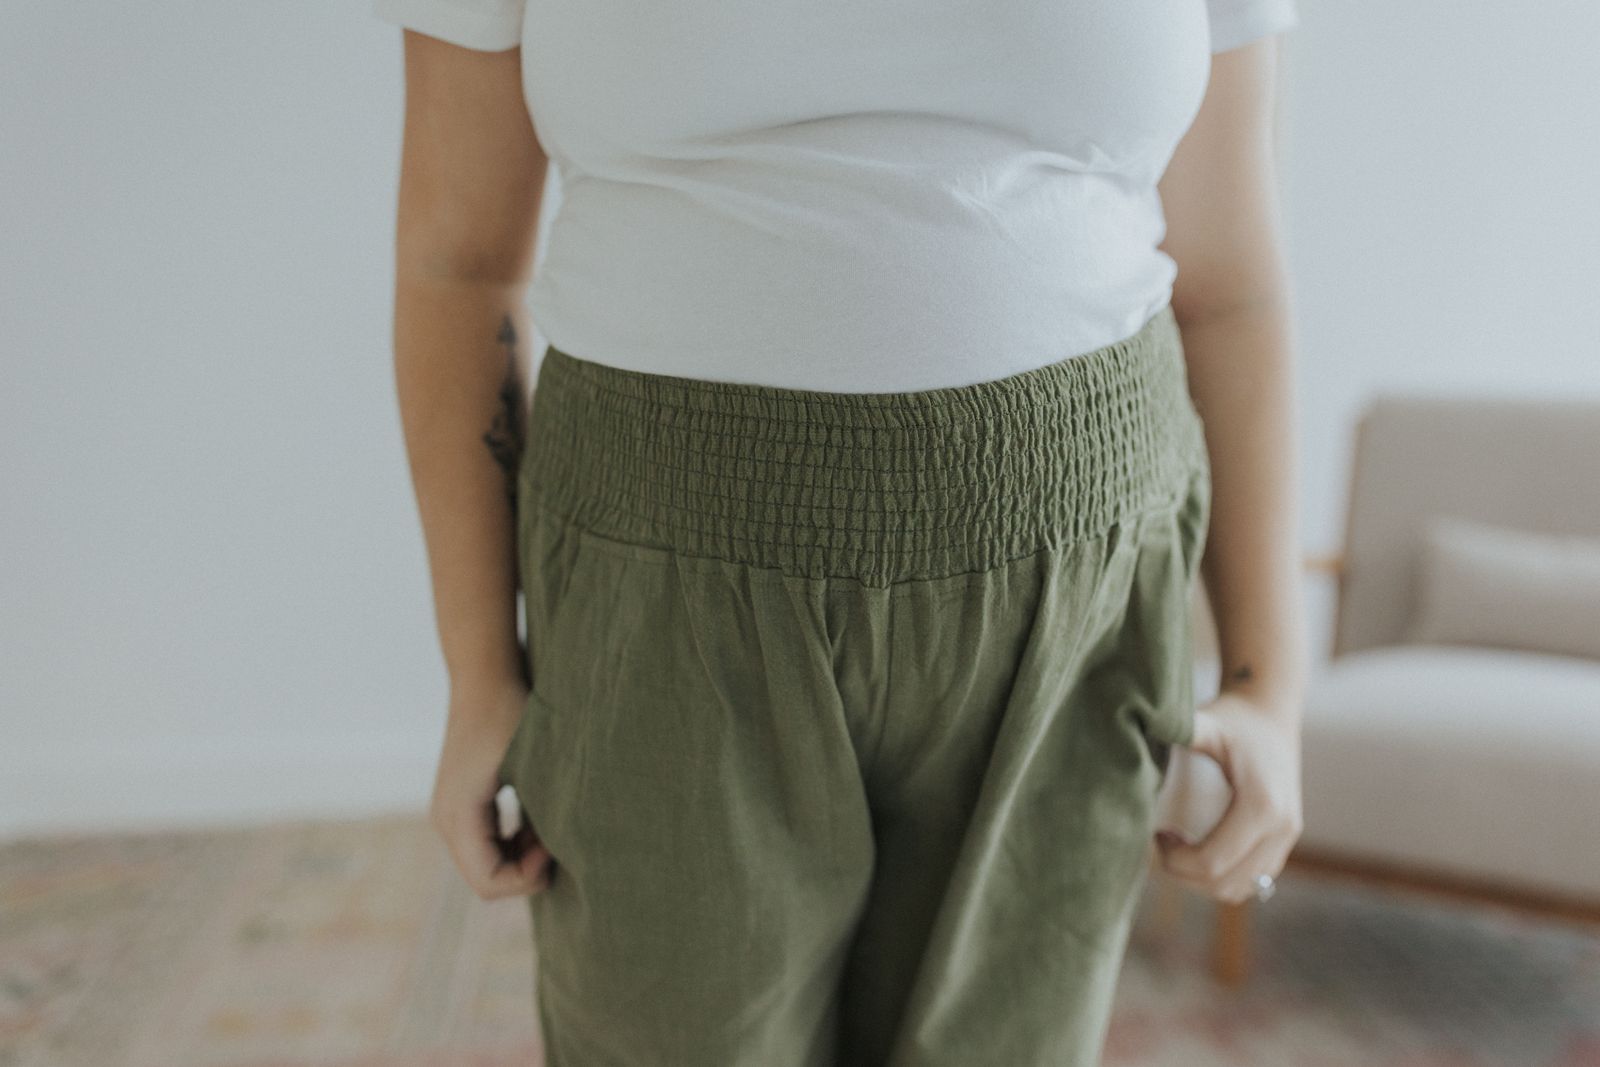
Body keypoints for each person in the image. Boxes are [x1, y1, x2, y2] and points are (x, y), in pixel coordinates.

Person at [374, 0, 1308, 1062]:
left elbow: (1232, 286)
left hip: (1075, 596)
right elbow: (457, 264)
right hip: (660, 585)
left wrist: (1269, 683)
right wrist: (479, 672)